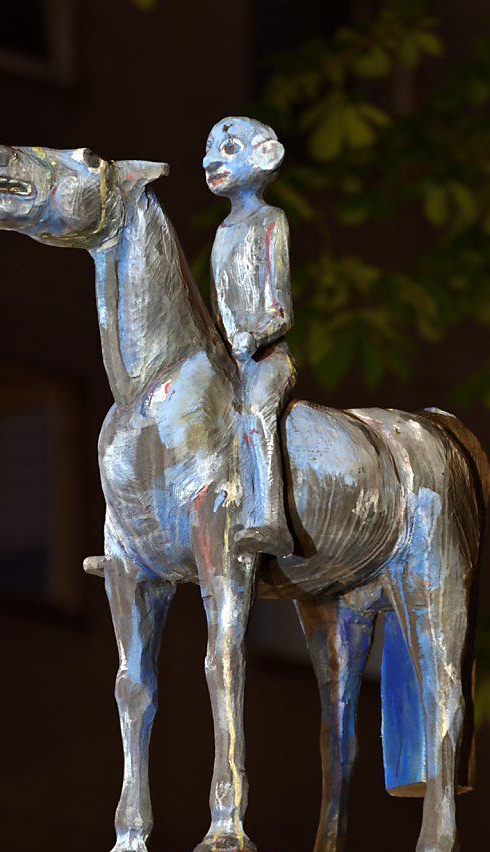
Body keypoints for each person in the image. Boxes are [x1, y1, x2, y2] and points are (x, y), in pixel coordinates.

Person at [204, 116, 297, 558]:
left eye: (227, 149)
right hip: (229, 361)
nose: (209, 161)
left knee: (258, 408)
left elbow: (281, 310)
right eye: (209, 150)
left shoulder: (269, 220)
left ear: (265, 156)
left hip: (266, 359)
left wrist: (254, 336)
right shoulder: (222, 233)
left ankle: (269, 518)